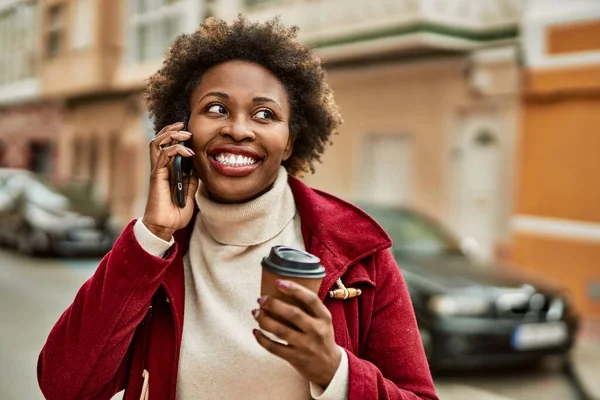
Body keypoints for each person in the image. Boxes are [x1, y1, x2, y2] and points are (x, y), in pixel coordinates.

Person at [37, 16, 438, 400]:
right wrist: (152, 235)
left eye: (265, 114)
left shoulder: (359, 254)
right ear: (182, 128)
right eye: (216, 108)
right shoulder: (155, 251)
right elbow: (64, 386)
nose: (239, 129)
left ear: (290, 142)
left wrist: (334, 371)